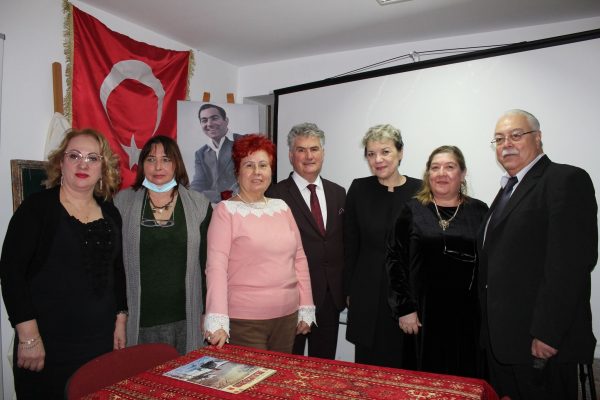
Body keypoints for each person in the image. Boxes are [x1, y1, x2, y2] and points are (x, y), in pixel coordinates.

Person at [478, 109, 597, 399]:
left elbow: (570, 265)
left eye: (516, 135)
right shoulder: (508, 189)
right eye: (499, 139)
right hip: (503, 342)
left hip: (539, 345)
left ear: (538, 137)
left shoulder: (565, 180)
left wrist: (547, 333)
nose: (506, 144)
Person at [0, 128, 127, 399]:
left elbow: (117, 270)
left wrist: (121, 318)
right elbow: (12, 274)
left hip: (99, 344)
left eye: (93, 158)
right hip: (47, 347)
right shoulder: (37, 208)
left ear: (103, 168)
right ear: (61, 162)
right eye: (74, 156)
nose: (83, 164)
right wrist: (28, 338)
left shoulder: (111, 212)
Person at [204, 134, 316, 353]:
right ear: (237, 171)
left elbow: (299, 258)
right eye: (249, 165)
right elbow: (216, 267)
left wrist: (306, 306)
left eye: (263, 165)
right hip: (245, 322)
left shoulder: (282, 207)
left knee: (280, 374)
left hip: (287, 318)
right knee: (253, 376)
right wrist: (217, 318)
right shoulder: (225, 212)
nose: (257, 172)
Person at [386, 145, 488, 377]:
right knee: (424, 382)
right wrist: (405, 309)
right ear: (428, 174)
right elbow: (394, 261)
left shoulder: (480, 211)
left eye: (449, 167)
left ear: (462, 174)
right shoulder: (412, 210)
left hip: (468, 316)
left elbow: (489, 263)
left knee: (464, 379)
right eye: (435, 167)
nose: (441, 173)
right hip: (422, 315)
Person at [114, 135, 212, 355]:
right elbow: (115, 266)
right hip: (140, 320)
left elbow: (208, 264)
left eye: (166, 159)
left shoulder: (199, 205)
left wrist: (208, 312)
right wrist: (119, 317)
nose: (158, 167)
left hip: (187, 318)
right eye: (151, 159)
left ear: (177, 164)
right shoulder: (122, 203)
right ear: (142, 165)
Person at [343, 124, 421, 368]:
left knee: (406, 367)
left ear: (400, 152)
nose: (378, 160)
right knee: (367, 370)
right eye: (371, 154)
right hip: (366, 292)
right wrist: (349, 290)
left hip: (407, 295)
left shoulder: (420, 191)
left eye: (385, 152)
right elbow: (350, 244)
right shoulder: (359, 189)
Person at [267, 123, 346, 359]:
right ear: (291, 155)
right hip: (292, 298)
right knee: (288, 366)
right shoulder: (274, 195)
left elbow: (342, 242)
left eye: (314, 149)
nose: (309, 156)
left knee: (324, 365)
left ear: (323, 153)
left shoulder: (338, 192)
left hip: (330, 297)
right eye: (301, 150)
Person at [190, 103, 239, 203]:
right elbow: (196, 189)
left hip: (240, 206)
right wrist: (221, 196)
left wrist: (214, 196)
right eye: (204, 120)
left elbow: (249, 181)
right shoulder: (201, 153)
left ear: (226, 121)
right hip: (212, 208)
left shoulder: (244, 142)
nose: (209, 124)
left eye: (214, 118)